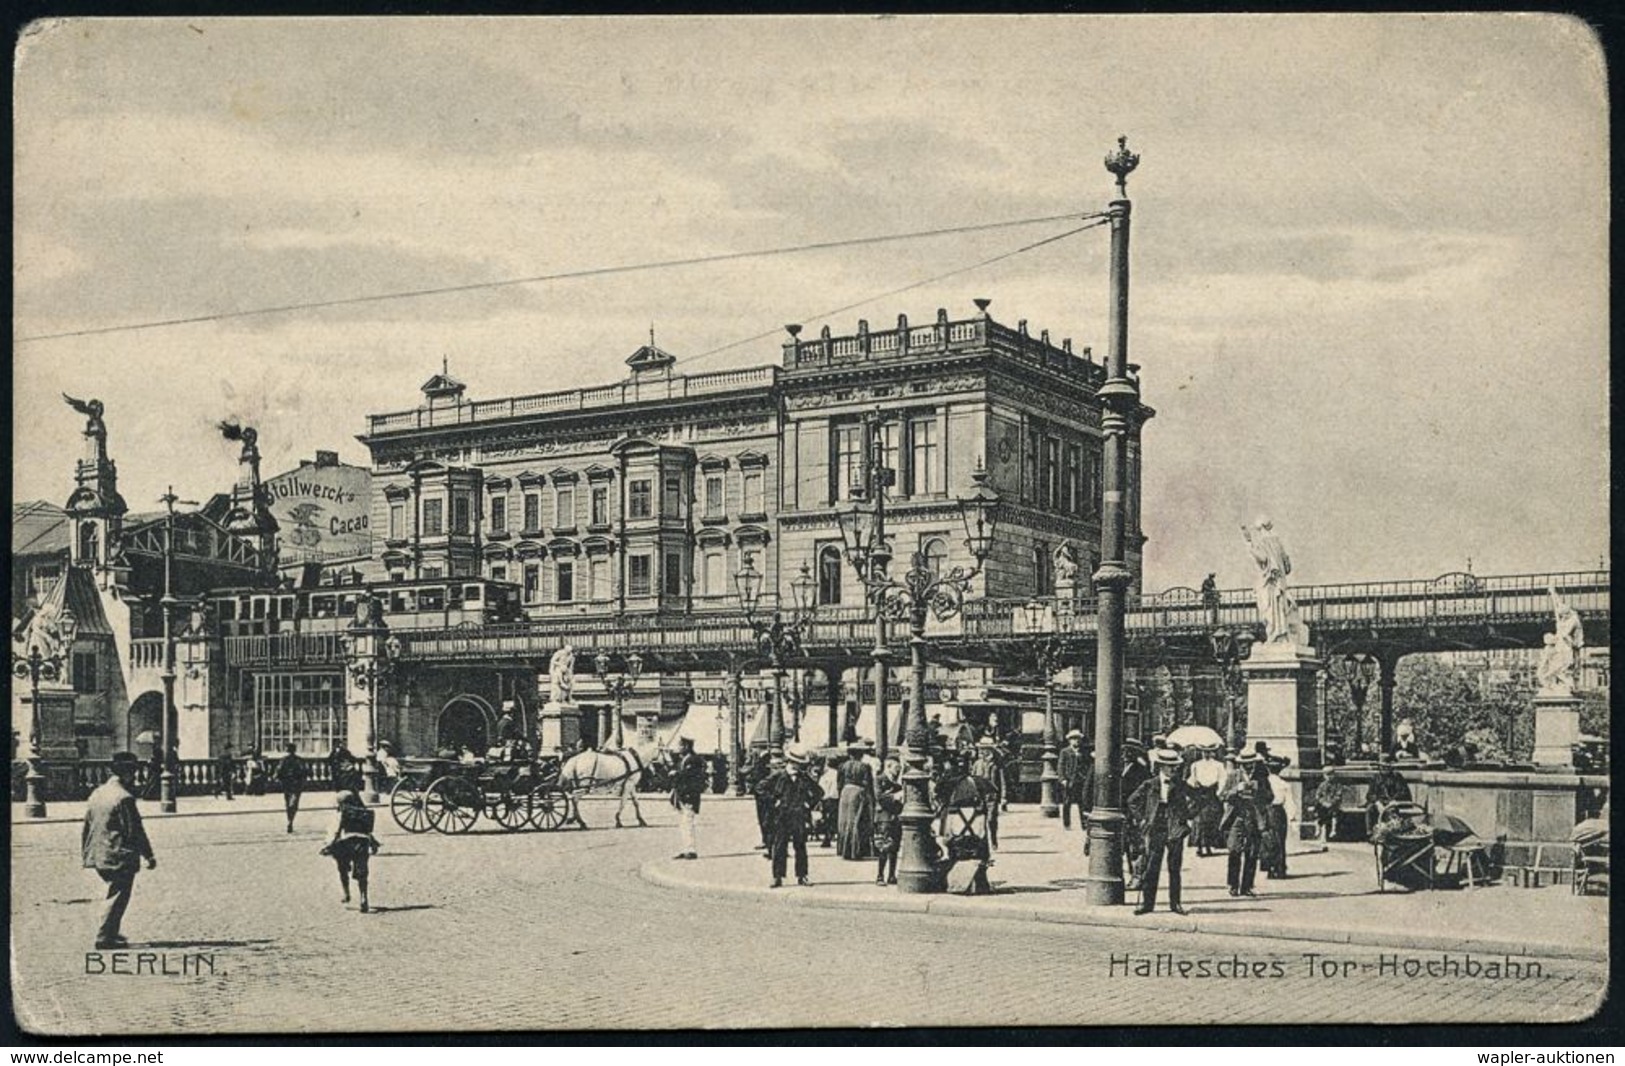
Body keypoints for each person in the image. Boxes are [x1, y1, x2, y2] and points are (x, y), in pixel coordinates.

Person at [82, 752, 157, 949]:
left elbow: (87, 825)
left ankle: (112, 933)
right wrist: (148, 855)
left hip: (99, 853)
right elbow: (135, 831)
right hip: (118, 854)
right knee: (118, 895)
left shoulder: (97, 793)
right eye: (133, 773)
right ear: (127, 774)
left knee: (114, 892)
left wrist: (88, 853)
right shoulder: (124, 798)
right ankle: (105, 937)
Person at [1129, 748, 1193, 915]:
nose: (1173, 769)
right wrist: (1142, 819)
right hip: (1155, 827)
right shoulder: (1150, 784)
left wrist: (1186, 817)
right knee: (1151, 867)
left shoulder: (1180, 784)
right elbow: (1132, 801)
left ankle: (1175, 904)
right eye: (1169, 766)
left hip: (1175, 829)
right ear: (1161, 766)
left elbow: (1198, 798)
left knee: (1174, 868)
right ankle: (1147, 905)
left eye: (1175, 766)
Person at [1242, 516, 1305, 644]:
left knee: (1269, 611)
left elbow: (1263, 558)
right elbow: (1288, 567)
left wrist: (1249, 544)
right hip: (1280, 584)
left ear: (1261, 529)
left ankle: (1275, 634)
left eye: (1258, 531)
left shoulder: (1263, 542)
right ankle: (1279, 634)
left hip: (1270, 584)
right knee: (1279, 611)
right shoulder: (1278, 543)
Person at [765, 749, 823, 888]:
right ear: (790, 762)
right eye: (796, 763)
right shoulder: (778, 776)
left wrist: (808, 804)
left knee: (800, 846)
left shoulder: (804, 777)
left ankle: (802, 876)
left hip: (799, 816)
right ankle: (777, 877)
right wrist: (774, 801)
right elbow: (761, 788)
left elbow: (819, 792)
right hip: (782, 816)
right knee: (779, 846)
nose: (798, 766)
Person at [321, 790, 381, 912]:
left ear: (340, 803)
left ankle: (346, 893)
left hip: (345, 843)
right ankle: (364, 897)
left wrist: (328, 845)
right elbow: (368, 831)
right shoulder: (363, 813)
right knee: (362, 873)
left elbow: (335, 831)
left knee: (342, 869)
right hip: (362, 843)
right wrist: (373, 843)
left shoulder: (341, 813)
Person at [1220, 754, 1269, 897]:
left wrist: (1259, 791)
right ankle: (1233, 885)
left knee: (1252, 852)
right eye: (1245, 764)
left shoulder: (1261, 778)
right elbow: (1222, 795)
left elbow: (1270, 797)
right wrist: (1236, 790)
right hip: (1237, 817)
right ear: (1240, 764)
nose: (1248, 767)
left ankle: (1247, 886)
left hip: (1254, 818)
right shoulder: (1233, 776)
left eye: (1251, 764)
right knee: (1234, 850)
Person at [836, 742, 875, 860]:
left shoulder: (842, 766)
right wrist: (871, 798)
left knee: (844, 821)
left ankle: (843, 849)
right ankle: (855, 850)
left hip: (845, 792)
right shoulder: (864, 766)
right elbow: (868, 783)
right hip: (858, 792)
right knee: (856, 820)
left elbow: (839, 783)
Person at [669, 737, 705, 860]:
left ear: (686, 747)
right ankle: (686, 849)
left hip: (689, 796)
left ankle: (691, 850)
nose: (678, 748)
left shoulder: (693, 760)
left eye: (680, 746)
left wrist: (676, 774)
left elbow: (690, 776)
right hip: (682, 796)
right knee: (683, 824)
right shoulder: (683, 759)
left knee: (688, 823)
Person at [1121, 740, 1151, 888]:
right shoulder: (1115, 767)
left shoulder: (1141, 770)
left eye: (1129, 752)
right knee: (1123, 847)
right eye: (1124, 752)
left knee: (1137, 848)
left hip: (1134, 815)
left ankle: (1138, 877)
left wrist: (1141, 815)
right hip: (1120, 814)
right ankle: (1130, 875)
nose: (1125, 755)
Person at [1186, 747, 1227, 857]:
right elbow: (1191, 780)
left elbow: (1223, 779)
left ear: (1213, 752)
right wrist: (1193, 785)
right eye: (1204, 751)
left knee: (1211, 820)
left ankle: (1209, 845)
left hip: (1212, 793)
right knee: (1199, 821)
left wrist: (1219, 793)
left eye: (1208, 751)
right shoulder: (1195, 765)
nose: (1206, 754)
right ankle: (1199, 845)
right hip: (1199, 794)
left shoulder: (1218, 765)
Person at [1365, 753, 1413, 837]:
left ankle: (1389, 834)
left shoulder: (1397, 777)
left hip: (1392, 803)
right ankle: (1370, 834)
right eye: (1382, 766)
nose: (1384, 769)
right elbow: (1370, 794)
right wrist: (1377, 802)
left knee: (1391, 813)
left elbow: (1404, 792)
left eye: (1386, 766)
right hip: (1379, 802)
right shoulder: (1375, 778)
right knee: (1370, 809)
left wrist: (1395, 801)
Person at [971, 736, 1006, 849]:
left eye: (987, 749)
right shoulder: (977, 764)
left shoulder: (997, 764)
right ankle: (983, 842)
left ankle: (993, 838)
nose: (984, 751)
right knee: (980, 820)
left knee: (991, 819)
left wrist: (1004, 797)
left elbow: (1002, 781)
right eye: (982, 749)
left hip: (992, 795)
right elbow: (972, 780)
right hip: (979, 796)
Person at [873, 755, 903, 886]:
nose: (898, 770)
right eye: (896, 768)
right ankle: (880, 875)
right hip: (884, 818)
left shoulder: (897, 783)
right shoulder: (879, 780)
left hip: (895, 817)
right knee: (884, 846)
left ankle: (891, 875)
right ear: (889, 766)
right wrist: (895, 797)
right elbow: (879, 797)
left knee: (894, 847)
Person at [1263, 756, 1294, 878]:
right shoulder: (1284, 784)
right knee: (1280, 841)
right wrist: (1292, 817)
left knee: (1267, 840)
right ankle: (1280, 868)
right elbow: (1289, 803)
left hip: (1266, 811)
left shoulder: (1263, 783)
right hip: (1279, 812)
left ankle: (1269, 868)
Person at [1057, 731, 1091, 832]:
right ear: (1069, 740)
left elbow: (1087, 765)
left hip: (1080, 780)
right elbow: (1060, 766)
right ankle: (1066, 824)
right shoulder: (1065, 751)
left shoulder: (1083, 752)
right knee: (1067, 803)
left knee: (1083, 803)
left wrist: (1085, 777)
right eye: (1073, 739)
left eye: (1077, 739)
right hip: (1069, 780)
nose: (1076, 741)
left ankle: (1084, 824)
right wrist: (1062, 779)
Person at [273, 742, 307, 833]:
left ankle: (289, 820)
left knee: (288, 803)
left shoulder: (284, 760)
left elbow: (278, 772)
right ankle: (290, 820)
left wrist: (276, 778)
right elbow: (305, 772)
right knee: (294, 803)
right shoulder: (299, 760)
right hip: (296, 784)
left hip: (287, 784)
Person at [816, 756, 841, 848]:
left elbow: (820, 788)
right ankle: (834, 836)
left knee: (827, 819)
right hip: (836, 798)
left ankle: (827, 838)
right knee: (834, 819)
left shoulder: (825, 775)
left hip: (826, 799)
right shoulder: (838, 774)